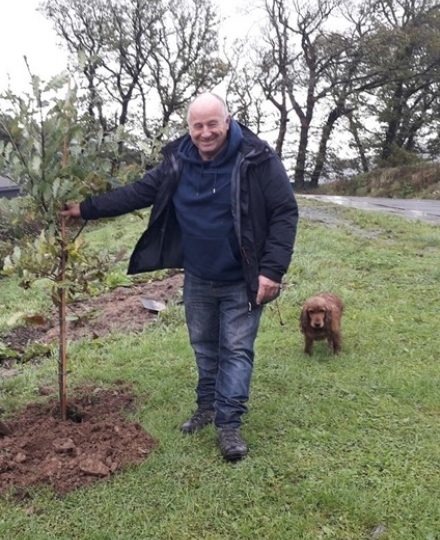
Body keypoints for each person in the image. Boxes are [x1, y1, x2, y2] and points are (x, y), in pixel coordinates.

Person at [61, 93, 298, 461]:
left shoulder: (257, 158)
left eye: (212, 124)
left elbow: (285, 211)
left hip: (244, 277)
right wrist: (86, 209)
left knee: (236, 350)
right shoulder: (179, 161)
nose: (205, 133)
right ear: (189, 128)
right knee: (204, 346)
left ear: (227, 121)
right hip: (199, 275)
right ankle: (207, 406)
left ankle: (229, 424)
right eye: (197, 126)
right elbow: (138, 193)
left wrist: (272, 270)